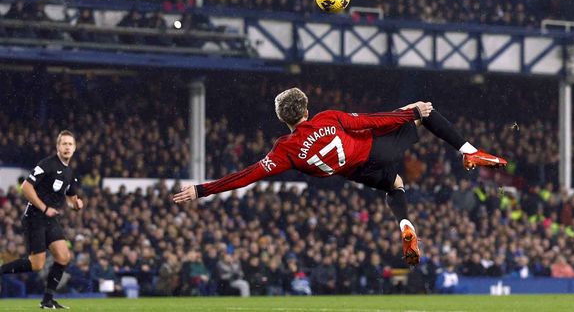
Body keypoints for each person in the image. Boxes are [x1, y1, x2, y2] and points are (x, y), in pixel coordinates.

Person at [172, 88, 507, 265]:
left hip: (355, 173)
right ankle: (468, 150)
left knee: (395, 185)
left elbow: (248, 175)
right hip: (374, 152)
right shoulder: (327, 118)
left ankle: (405, 225)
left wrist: (202, 190)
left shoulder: (284, 150)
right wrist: (410, 113)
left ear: (283, 118)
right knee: (423, 110)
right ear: (305, 110)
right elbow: (374, 122)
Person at [0, 130, 83, 309]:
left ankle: (47, 300)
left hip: (50, 219)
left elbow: (70, 198)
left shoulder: (69, 172)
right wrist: (44, 208)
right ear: (58, 147)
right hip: (35, 217)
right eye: (64, 144)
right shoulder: (48, 164)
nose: (67, 147)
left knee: (63, 257)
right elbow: (26, 187)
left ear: (74, 148)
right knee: (37, 264)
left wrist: (76, 204)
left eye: (70, 144)